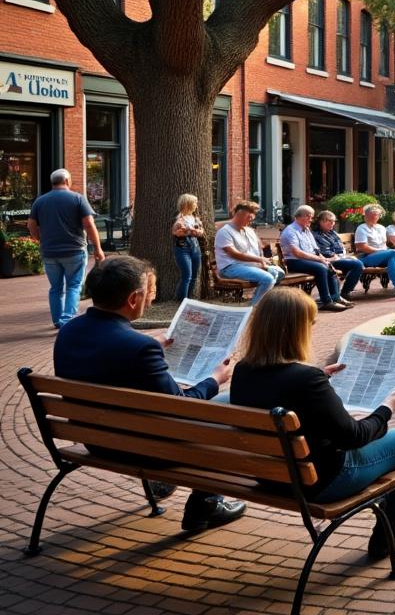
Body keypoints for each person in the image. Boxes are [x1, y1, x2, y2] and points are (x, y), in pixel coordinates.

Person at [228, 288, 395, 560]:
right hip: (321, 483)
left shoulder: (244, 370)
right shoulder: (306, 380)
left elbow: (282, 387)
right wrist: (387, 408)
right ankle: (390, 530)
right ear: (295, 330)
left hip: (269, 477)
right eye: (310, 324)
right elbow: (353, 437)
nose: (311, 329)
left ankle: (390, 528)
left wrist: (318, 378)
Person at [54, 257, 246, 532]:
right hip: (144, 449)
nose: (150, 301)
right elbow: (182, 407)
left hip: (95, 440)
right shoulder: (139, 348)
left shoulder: (70, 330)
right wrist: (214, 379)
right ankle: (206, 504)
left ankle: (166, 483)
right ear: (133, 299)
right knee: (230, 403)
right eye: (149, 293)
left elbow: (108, 358)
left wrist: (149, 345)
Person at [27, 168, 105, 328]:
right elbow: (89, 225)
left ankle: (57, 320)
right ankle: (67, 320)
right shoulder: (78, 199)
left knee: (55, 288)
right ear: (67, 181)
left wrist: (40, 239)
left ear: (53, 182)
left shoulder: (40, 201)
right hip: (74, 251)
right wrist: (98, 248)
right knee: (73, 286)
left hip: (49, 252)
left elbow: (31, 225)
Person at [215, 201, 285, 305]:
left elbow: (259, 249)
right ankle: (254, 307)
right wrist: (259, 260)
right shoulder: (225, 232)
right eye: (249, 217)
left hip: (250, 265)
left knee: (279, 273)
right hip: (230, 268)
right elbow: (233, 254)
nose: (251, 221)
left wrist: (262, 263)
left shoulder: (250, 231)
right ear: (239, 214)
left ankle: (264, 301)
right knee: (268, 278)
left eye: (252, 218)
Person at [280, 205, 349, 311]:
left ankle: (336, 298)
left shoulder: (306, 230)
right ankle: (327, 302)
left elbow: (316, 250)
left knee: (328, 266)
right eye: (310, 217)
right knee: (321, 268)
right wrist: (319, 260)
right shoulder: (291, 231)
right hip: (294, 261)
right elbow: (297, 253)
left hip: (307, 259)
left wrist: (324, 259)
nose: (311, 220)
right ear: (305, 216)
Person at [353, 205, 395, 301]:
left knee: (392, 256)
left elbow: (385, 245)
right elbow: (362, 247)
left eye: (377, 214)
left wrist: (385, 251)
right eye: (372, 215)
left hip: (382, 256)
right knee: (393, 253)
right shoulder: (362, 228)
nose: (375, 216)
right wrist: (381, 251)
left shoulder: (381, 228)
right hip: (367, 257)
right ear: (366, 216)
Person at [313, 210, 365, 301]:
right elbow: (324, 252)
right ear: (320, 221)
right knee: (357, 265)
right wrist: (337, 257)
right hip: (327, 261)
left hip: (339, 258)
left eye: (333, 221)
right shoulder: (316, 235)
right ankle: (345, 292)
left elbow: (340, 247)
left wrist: (343, 256)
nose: (332, 224)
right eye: (329, 221)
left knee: (357, 262)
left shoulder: (332, 233)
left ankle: (342, 293)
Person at [171, 192, 205, 302]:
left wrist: (190, 231)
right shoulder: (178, 219)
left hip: (195, 247)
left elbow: (201, 232)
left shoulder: (195, 218)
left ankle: (188, 300)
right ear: (188, 204)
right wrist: (192, 231)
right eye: (194, 202)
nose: (196, 205)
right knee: (187, 276)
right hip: (182, 248)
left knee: (194, 276)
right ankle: (182, 301)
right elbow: (176, 233)